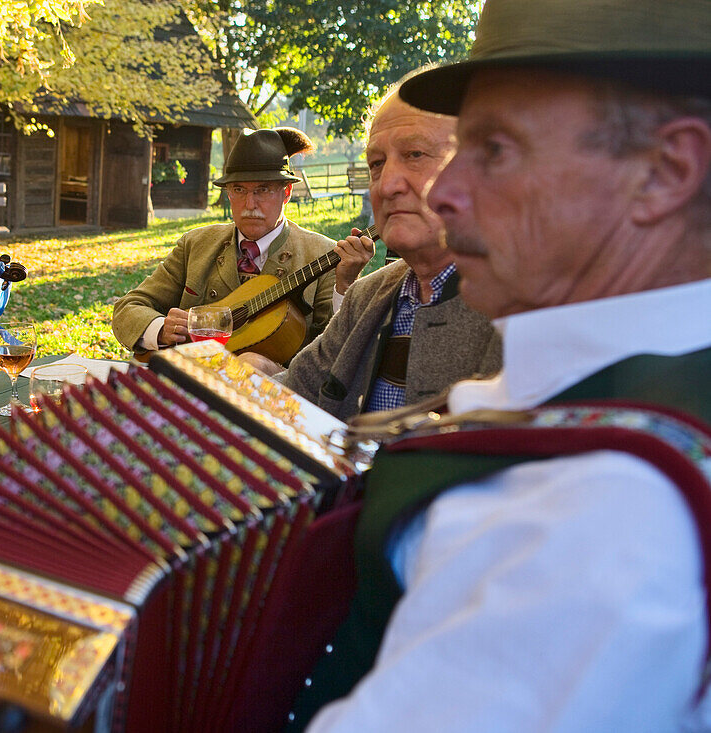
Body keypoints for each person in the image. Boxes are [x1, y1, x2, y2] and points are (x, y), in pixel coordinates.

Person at [293, 0, 711, 730]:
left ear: (666, 172)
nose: (446, 195)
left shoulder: (595, 521)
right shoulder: (611, 395)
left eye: (495, 149)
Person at [243, 83, 501, 420]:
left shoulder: (521, 308)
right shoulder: (364, 297)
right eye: (376, 163)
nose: (387, 184)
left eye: (415, 155)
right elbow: (293, 388)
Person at [111, 127, 372, 357]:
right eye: (239, 190)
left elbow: (339, 348)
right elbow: (128, 308)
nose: (250, 204)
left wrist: (345, 285)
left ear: (287, 193)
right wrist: (161, 330)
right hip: (187, 382)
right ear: (228, 193)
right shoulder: (195, 244)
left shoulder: (323, 253)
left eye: (263, 189)